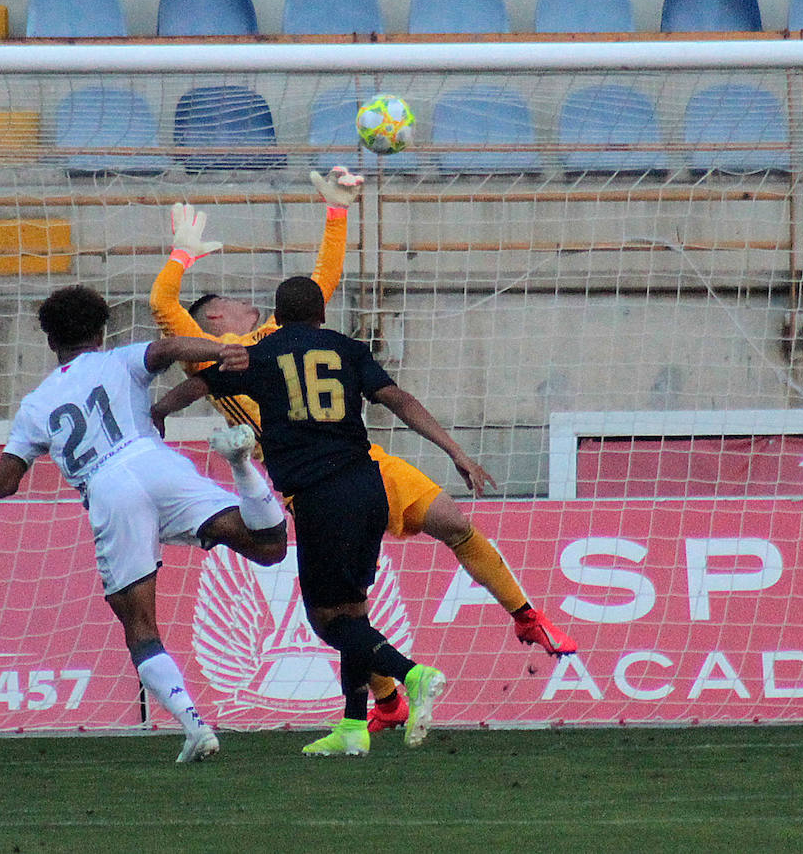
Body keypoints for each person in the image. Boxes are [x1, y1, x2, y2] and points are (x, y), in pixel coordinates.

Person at [148, 168, 577, 740]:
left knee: (450, 525)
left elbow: (322, 279)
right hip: (310, 482)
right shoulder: (218, 355)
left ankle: (524, 616)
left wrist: (336, 210)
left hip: (360, 461)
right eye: (231, 301)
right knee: (348, 609)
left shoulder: (283, 338)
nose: (246, 302)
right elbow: (165, 311)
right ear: (214, 320)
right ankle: (382, 699)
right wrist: (180, 257)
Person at [154, 276, 453, 757]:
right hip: (368, 487)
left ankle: (413, 675)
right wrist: (454, 450)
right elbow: (399, 400)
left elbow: (200, 383)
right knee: (353, 610)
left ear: (278, 314)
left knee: (326, 621)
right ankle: (354, 726)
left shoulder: (263, 355)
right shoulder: (348, 349)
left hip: (320, 497)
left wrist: (159, 410)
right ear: (323, 315)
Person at [0, 285, 288, 763]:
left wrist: (30, 450)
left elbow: (2, 484)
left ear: (50, 341)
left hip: (106, 491)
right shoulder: (121, 359)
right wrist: (228, 347)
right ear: (101, 331)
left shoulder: (34, 407)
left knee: (140, 625)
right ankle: (241, 464)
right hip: (155, 463)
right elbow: (168, 348)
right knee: (270, 546)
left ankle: (195, 727)